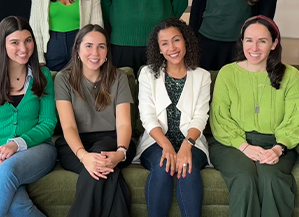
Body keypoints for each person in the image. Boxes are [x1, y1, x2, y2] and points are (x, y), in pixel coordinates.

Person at [0, 16, 57, 217]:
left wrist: (16, 144)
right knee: (17, 206)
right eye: (15, 42)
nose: (23, 48)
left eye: (28, 40)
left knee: (7, 169)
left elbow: (48, 123)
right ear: (2, 44)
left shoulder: (43, 75)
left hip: (37, 150)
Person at [209, 15, 299, 217]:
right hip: (231, 143)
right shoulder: (227, 73)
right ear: (242, 42)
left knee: (272, 178)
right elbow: (220, 118)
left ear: (274, 44)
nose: (254, 48)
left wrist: (278, 149)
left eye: (263, 41)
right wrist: (245, 147)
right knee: (244, 178)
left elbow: (295, 118)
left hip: (277, 143)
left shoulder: (291, 76)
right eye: (249, 40)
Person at [54, 24, 136, 217]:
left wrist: (120, 152)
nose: (95, 52)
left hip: (115, 142)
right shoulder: (63, 79)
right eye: (89, 46)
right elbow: (69, 126)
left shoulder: (119, 77)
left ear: (107, 51)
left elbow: (124, 124)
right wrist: (84, 156)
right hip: (75, 145)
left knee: (101, 158)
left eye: (101, 46)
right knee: (106, 174)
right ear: (78, 49)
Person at [134, 17, 211, 217]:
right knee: (162, 167)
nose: (172, 48)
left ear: (185, 41)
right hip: (156, 143)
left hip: (192, 143)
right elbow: (147, 116)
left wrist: (186, 146)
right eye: (164, 43)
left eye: (176, 40)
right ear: (159, 49)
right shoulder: (147, 75)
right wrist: (167, 146)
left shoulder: (202, 76)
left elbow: (200, 117)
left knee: (188, 168)